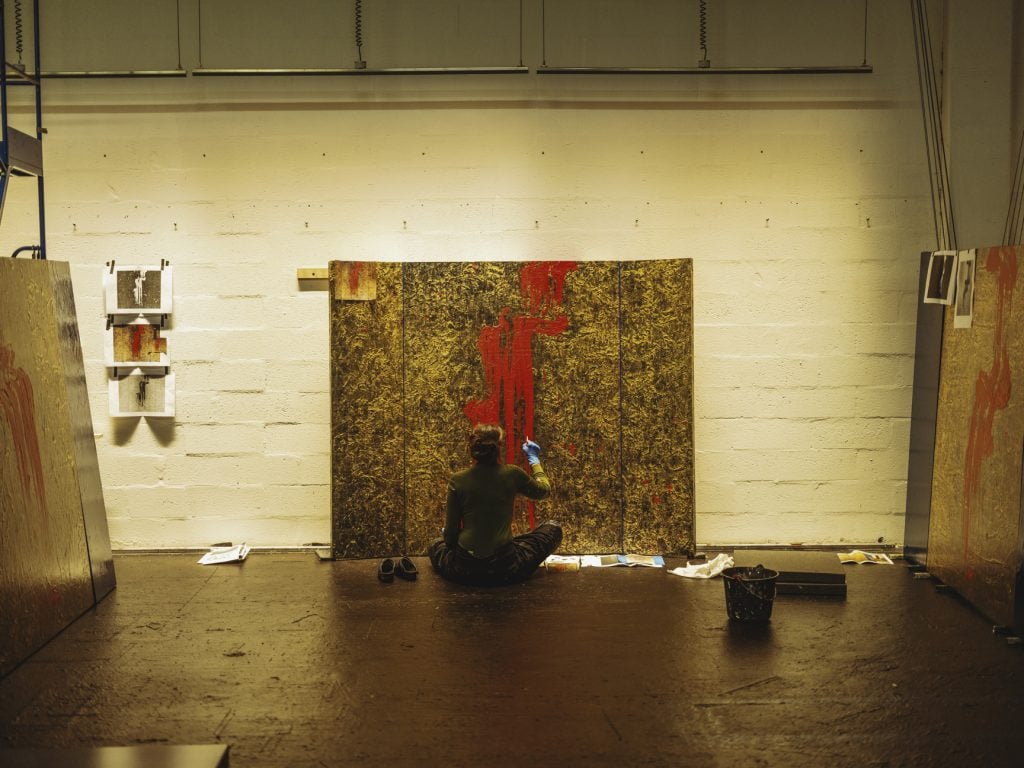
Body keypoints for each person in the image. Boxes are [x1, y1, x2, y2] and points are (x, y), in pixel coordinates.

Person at [428, 424, 563, 586]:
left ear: (471, 447)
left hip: (464, 569)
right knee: (553, 528)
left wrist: (454, 538)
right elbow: (544, 491)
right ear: (498, 447)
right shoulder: (512, 474)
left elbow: (449, 539)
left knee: (435, 544)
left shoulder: (458, 480)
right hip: (505, 567)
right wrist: (534, 460)